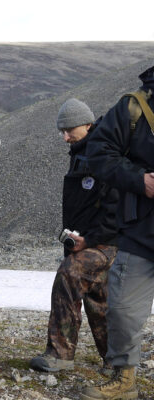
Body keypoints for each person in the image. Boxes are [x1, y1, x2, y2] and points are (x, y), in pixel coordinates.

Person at [80, 66, 154, 400]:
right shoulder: (134, 107)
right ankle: (124, 380)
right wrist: (141, 181)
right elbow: (97, 151)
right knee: (123, 308)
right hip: (141, 230)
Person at [30, 98, 118, 374]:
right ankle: (117, 360)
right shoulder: (83, 151)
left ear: (88, 124)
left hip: (108, 242)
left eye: (70, 130)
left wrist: (89, 240)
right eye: (62, 131)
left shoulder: (103, 153)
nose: (65, 137)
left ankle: (60, 354)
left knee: (70, 274)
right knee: (99, 298)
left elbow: (117, 206)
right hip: (90, 239)